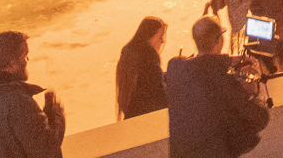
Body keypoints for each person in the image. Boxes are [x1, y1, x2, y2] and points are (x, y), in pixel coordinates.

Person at [167, 15, 273, 158]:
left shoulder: (176, 70)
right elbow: (260, 118)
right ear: (219, 41)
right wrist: (254, 91)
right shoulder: (223, 78)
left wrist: (229, 61)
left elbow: (202, 65)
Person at [0, 31, 65, 158]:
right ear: (12, 63)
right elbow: (46, 150)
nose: (27, 61)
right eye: (24, 56)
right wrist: (55, 117)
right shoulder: (18, 102)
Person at [115, 16, 168, 121]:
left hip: (131, 113)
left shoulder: (128, 52)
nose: (162, 41)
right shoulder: (149, 58)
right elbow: (159, 93)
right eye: (160, 36)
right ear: (149, 36)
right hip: (148, 115)